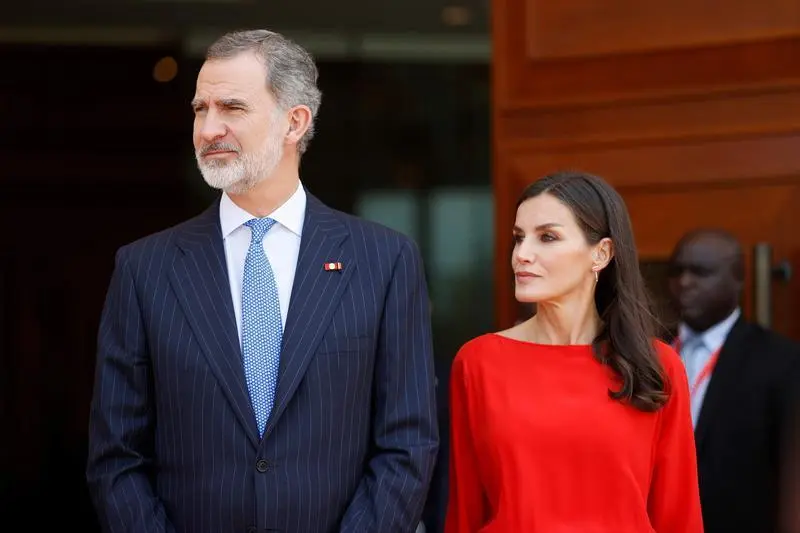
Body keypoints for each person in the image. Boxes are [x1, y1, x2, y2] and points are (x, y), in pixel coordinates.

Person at [86, 29, 439, 533]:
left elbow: (407, 443)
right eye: (200, 109)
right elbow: (117, 456)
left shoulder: (384, 261)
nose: (209, 129)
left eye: (231, 108)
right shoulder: (145, 269)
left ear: (295, 122)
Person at [445, 170, 704, 533]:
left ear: (601, 253)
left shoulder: (656, 365)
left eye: (547, 237)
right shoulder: (478, 362)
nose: (522, 254)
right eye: (519, 238)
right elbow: (465, 513)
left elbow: (679, 516)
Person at [667, 228, 800, 533]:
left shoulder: (781, 362)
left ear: (738, 278)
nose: (684, 282)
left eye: (700, 272)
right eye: (677, 271)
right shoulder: (647, 351)